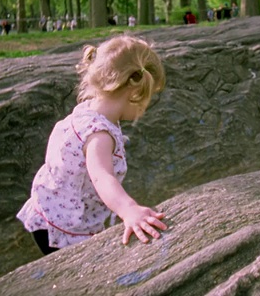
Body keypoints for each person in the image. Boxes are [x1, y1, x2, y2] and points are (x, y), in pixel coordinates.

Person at [17, 35, 168, 255]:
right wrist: (129, 209)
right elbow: (102, 177)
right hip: (64, 229)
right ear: (135, 92)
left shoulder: (88, 110)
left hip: (48, 211)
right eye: (149, 97)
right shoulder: (99, 135)